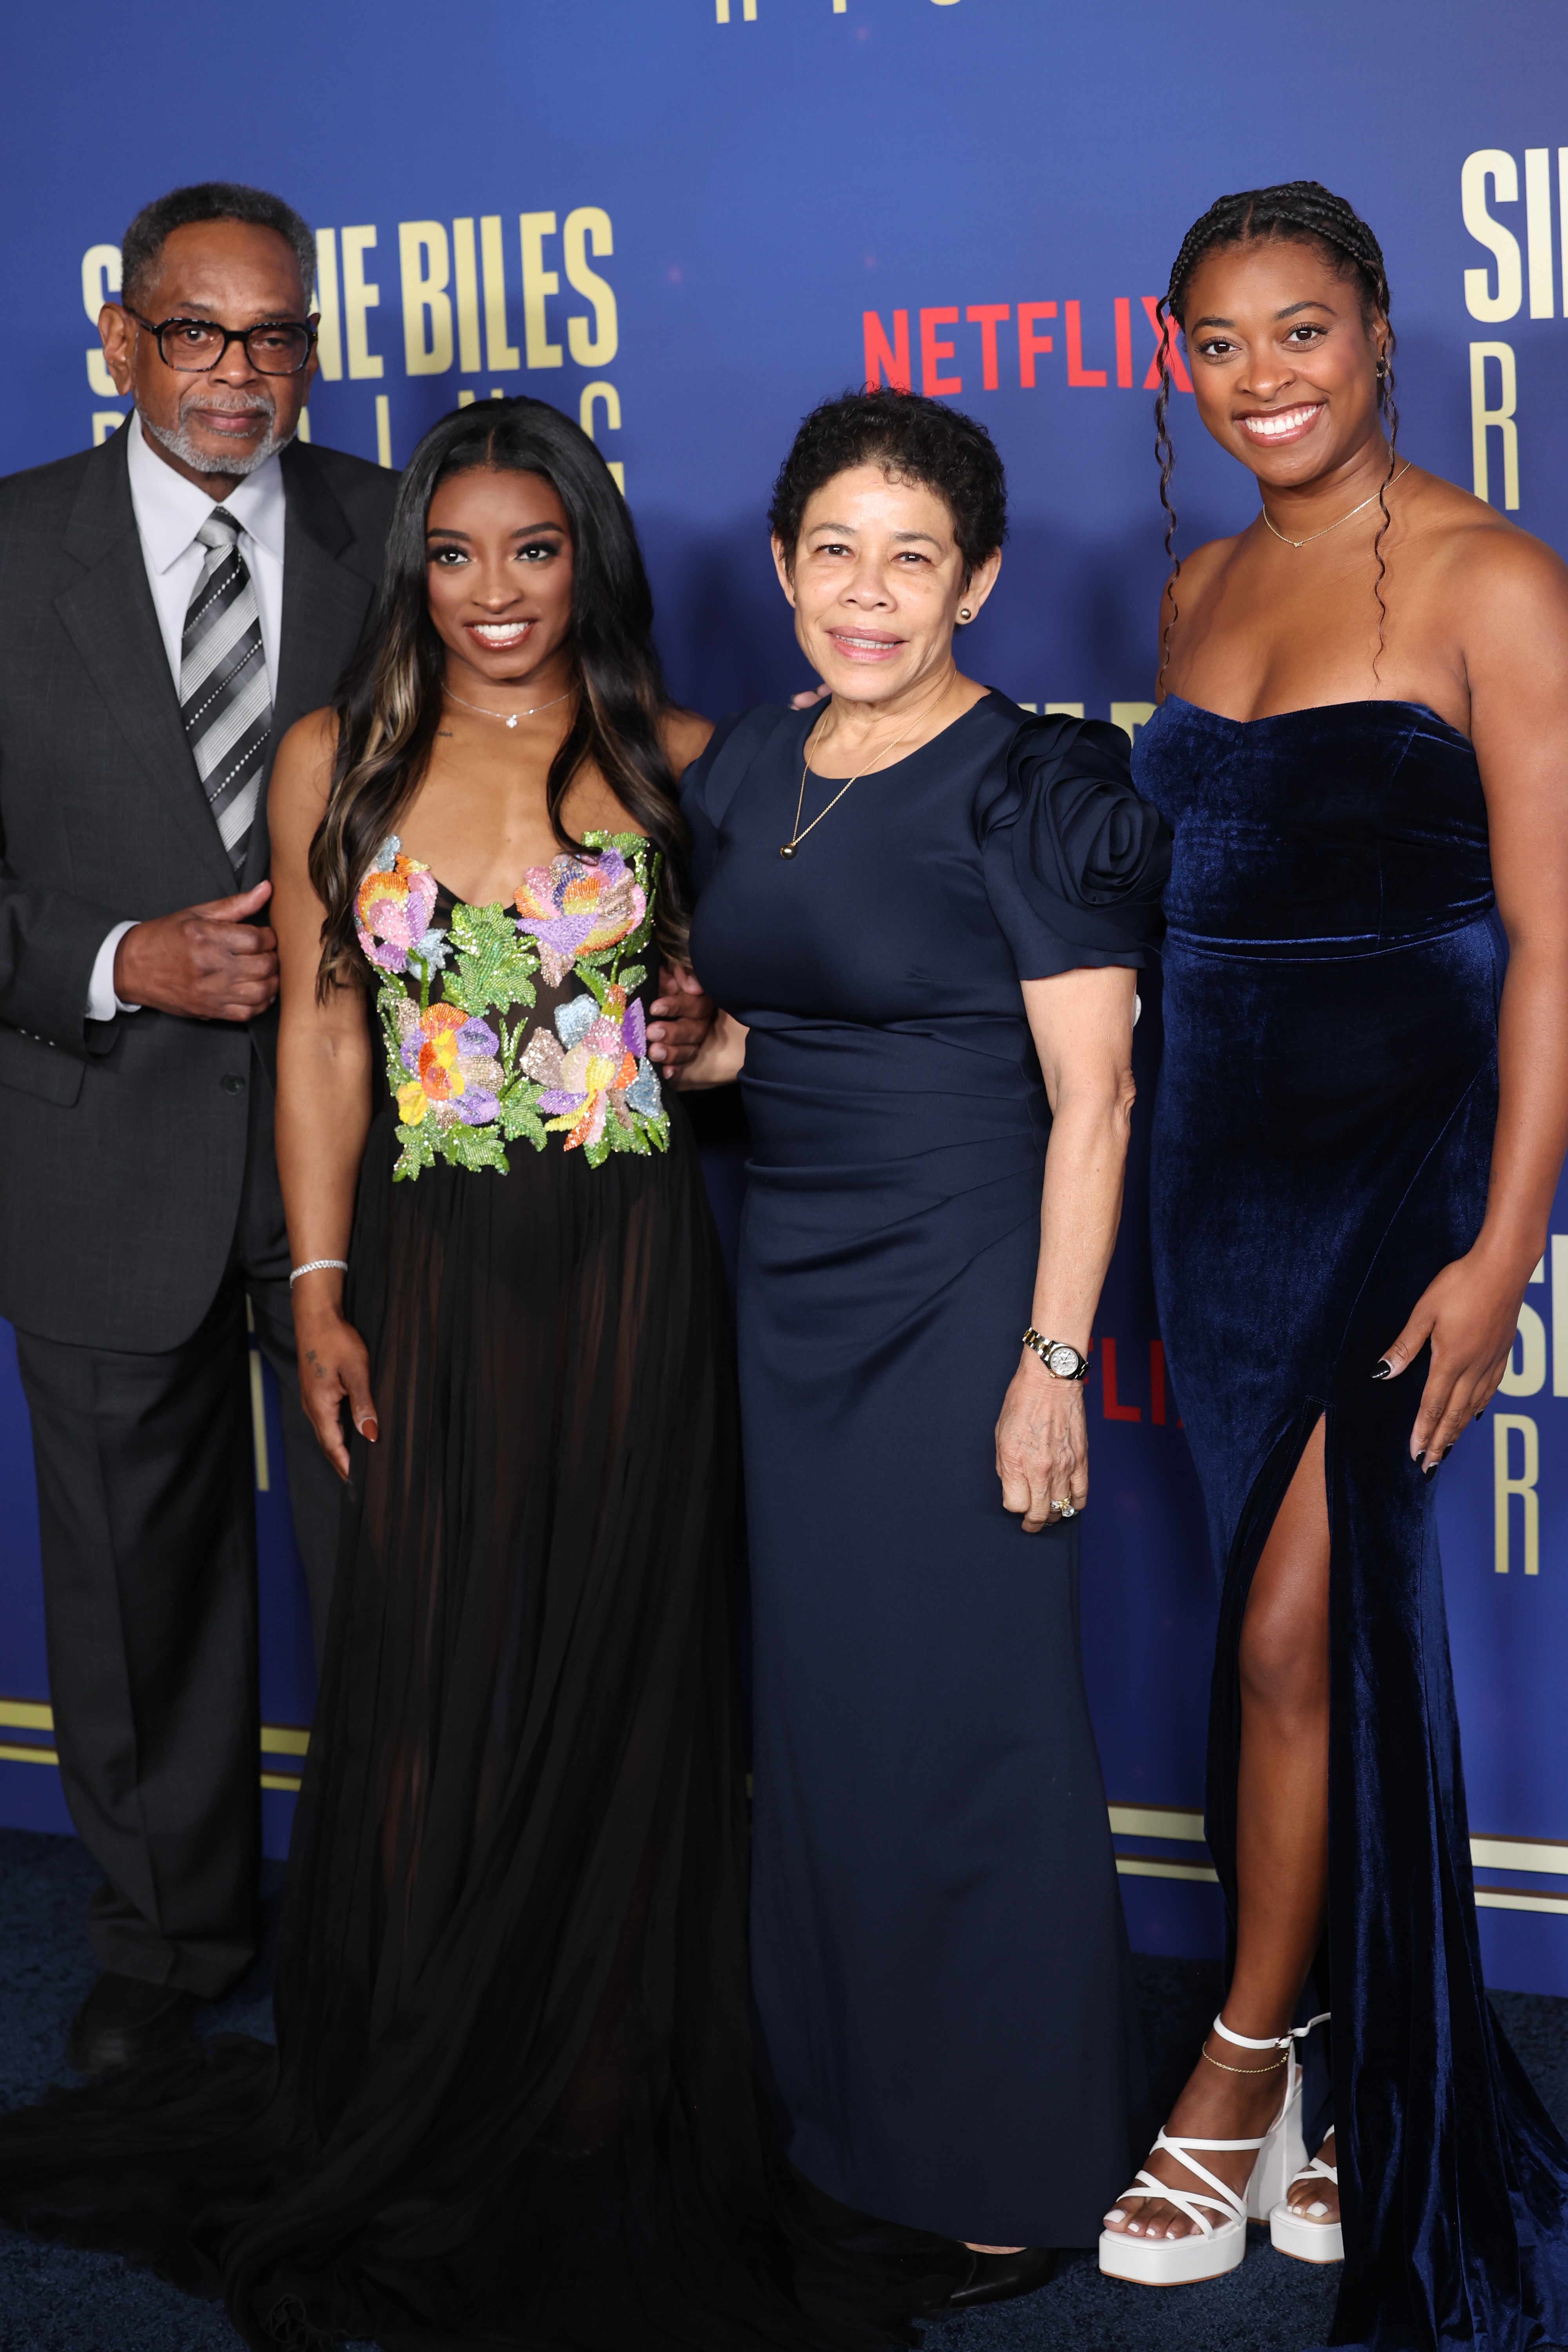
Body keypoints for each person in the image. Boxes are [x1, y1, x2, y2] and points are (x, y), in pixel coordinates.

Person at [0, 396, 951, 2352]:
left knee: (617, 1669)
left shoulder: (680, 758)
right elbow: (326, 1046)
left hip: (625, 1271)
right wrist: (325, 1288)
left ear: (583, 562)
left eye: (534, 552)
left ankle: (599, 2076)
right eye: (455, 553)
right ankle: (431, 2055)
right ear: (409, 568)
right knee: (433, 1672)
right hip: (424, 1276)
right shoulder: (333, 758)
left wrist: (703, 1025)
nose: (495, 591)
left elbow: (771, 1003)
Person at [1097, 182, 1568, 2349]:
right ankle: (1332, 2055)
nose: (1264, 377)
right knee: (1281, 1633)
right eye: (1221, 342)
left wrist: (1504, 1247)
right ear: (1176, 359)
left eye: (1303, 330)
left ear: (1382, 332)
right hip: (1211, 1162)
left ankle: (1254, 2054)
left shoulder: (1495, 577)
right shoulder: (1195, 582)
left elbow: (1559, 945)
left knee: (1310, 1622)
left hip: (1398, 1171)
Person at [676, 386, 1168, 2296]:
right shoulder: (744, 771)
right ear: (786, 565)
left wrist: (1050, 1366)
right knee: (826, 1721)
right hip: (788, 1271)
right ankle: (847, 2115)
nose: (866, 596)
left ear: (978, 579)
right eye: (833, 554)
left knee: (971, 1725)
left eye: (912, 560)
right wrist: (703, 1052)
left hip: (968, 1278)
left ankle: (1007, 2163)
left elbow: (1096, 1101)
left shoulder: (1036, 784)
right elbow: (765, 1027)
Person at [0, 180, 400, 2080]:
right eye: (194, 333)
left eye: (272, 336)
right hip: (103, 1140)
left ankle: (414, 1933)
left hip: (372, 1160)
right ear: (120, 339)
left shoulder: (401, 532)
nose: (236, 373)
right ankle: (165, 1939)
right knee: (129, 1580)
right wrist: (113, 959)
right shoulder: (6, 555)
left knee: (402, 1561)